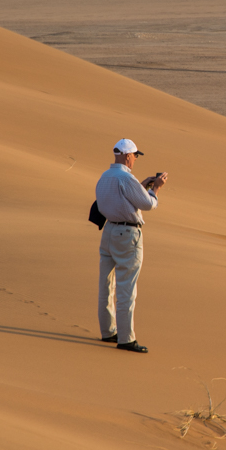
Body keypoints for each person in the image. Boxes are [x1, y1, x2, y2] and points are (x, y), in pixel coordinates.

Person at [95, 138, 167, 353]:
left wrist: (141, 186)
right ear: (128, 156)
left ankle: (108, 331)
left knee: (106, 285)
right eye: (135, 155)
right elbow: (147, 204)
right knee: (127, 287)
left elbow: (114, 200)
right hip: (127, 235)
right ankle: (126, 339)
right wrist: (156, 189)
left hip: (108, 232)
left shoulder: (105, 176)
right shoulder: (126, 178)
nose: (135, 159)